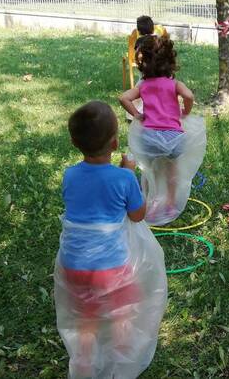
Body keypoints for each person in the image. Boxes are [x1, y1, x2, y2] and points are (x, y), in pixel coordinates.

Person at [54, 101, 168, 379]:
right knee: (122, 316)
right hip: (110, 268)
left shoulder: (69, 175)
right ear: (116, 143)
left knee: (86, 322)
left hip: (73, 265)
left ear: (73, 142)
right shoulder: (123, 178)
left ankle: (82, 367)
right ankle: (122, 365)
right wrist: (128, 172)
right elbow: (138, 215)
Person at [119, 36, 206, 225]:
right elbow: (189, 95)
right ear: (170, 62)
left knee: (149, 171)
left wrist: (137, 114)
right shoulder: (174, 84)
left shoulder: (143, 85)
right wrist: (185, 111)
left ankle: (148, 204)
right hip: (174, 138)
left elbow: (124, 98)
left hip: (149, 137)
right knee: (171, 170)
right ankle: (170, 202)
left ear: (144, 64)